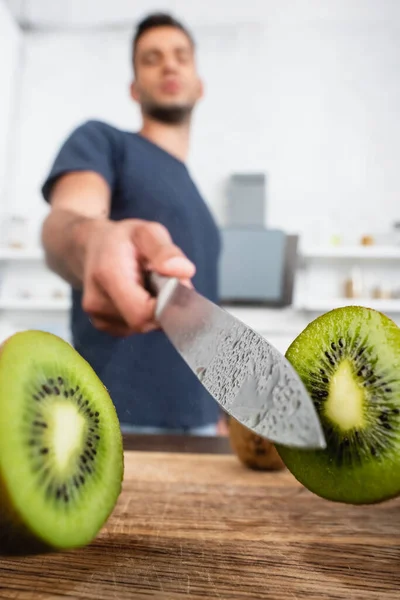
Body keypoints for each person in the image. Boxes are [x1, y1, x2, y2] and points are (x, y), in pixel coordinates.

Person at [40, 12, 228, 436]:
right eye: (151, 58)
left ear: (199, 85)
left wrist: (216, 411)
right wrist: (93, 240)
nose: (169, 65)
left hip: (199, 423)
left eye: (181, 55)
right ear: (133, 87)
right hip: (117, 419)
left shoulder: (201, 205)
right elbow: (63, 223)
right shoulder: (103, 142)